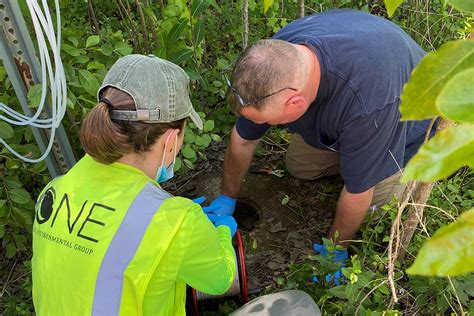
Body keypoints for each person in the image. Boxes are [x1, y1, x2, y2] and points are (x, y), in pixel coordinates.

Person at [204, 9, 435, 284]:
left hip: (408, 128)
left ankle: (400, 169)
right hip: (354, 113)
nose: (263, 125)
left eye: (267, 121)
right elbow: (243, 138)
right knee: (300, 167)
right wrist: (228, 197)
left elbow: (357, 192)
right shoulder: (277, 56)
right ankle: (355, 155)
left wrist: (335, 250)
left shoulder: (367, 105)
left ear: (295, 104)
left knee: (376, 211)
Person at [31, 54, 237, 315]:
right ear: (171, 139)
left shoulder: (56, 190)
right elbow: (220, 280)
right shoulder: (177, 222)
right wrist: (220, 232)